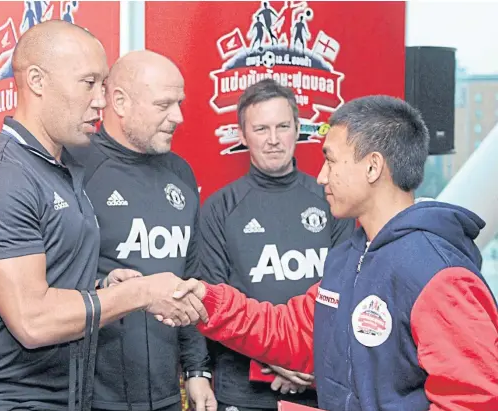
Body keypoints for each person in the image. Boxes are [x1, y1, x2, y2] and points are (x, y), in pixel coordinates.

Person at [0, 21, 207, 411]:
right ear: (36, 80)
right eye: (89, 83)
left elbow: (49, 280)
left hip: (65, 395)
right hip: (2, 399)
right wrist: (140, 293)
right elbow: (33, 321)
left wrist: (102, 285)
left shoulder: (59, 169)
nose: (101, 100)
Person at [171, 95, 498, 411]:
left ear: (372, 168)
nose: (321, 176)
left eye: (331, 160)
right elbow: (294, 332)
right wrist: (206, 300)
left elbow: (474, 400)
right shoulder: (349, 257)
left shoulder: (439, 274)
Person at [68, 50, 217, 411]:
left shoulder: (181, 173)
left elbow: (190, 279)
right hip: (91, 397)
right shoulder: (73, 168)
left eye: (179, 103)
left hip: (166, 395)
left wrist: (198, 370)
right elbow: (47, 289)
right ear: (119, 101)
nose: (178, 117)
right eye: (164, 104)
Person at [198, 79, 355, 411]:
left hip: (316, 385)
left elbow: (345, 294)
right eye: (260, 129)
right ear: (242, 135)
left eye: (283, 126)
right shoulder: (219, 208)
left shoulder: (334, 201)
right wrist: (276, 356)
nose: (273, 140)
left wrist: (303, 359)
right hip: (245, 391)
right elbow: (211, 303)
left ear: (298, 128)